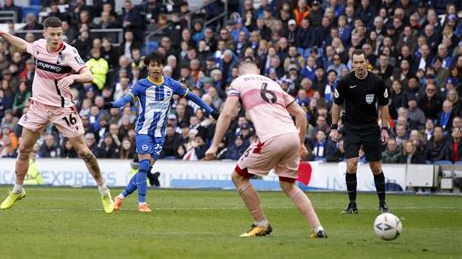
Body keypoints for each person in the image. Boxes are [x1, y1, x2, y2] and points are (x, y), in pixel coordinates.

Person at [0, 17, 115, 213]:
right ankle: (17, 190)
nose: (57, 38)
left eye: (59, 34)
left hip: (62, 109)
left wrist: (74, 77)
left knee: (83, 152)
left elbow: (88, 75)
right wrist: (3, 34)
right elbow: (23, 45)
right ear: (44, 34)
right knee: (23, 149)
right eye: (53, 34)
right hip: (38, 107)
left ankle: (104, 191)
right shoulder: (38, 46)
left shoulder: (69, 53)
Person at [205, 59, 327, 238]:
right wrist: (300, 143)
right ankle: (318, 229)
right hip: (291, 136)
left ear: (239, 73)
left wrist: (214, 146)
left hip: (271, 137)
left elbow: (228, 113)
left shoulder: (239, 82)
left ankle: (261, 224)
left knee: (238, 177)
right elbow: (301, 114)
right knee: (289, 185)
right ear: (259, 70)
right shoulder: (274, 84)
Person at [105, 52, 219, 213]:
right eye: (153, 65)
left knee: (144, 171)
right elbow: (126, 99)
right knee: (143, 166)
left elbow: (193, 97)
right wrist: (114, 105)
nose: (156, 68)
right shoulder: (141, 85)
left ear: (162, 66)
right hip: (144, 131)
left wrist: (211, 111)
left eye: (159, 65)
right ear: (148, 67)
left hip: (159, 134)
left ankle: (120, 198)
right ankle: (142, 204)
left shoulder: (171, 84)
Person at [330, 49, 390, 214]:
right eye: (355, 62)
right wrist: (334, 127)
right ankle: (352, 205)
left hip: (371, 127)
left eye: (361, 62)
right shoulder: (344, 82)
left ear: (366, 62)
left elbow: (384, 105)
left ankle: (383, 204)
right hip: (351, 128)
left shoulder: (377, 82)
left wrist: (384, 128)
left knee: (376, 166)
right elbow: (336, 104)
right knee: (351, 165)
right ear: (352, 63)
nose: (358, 65)